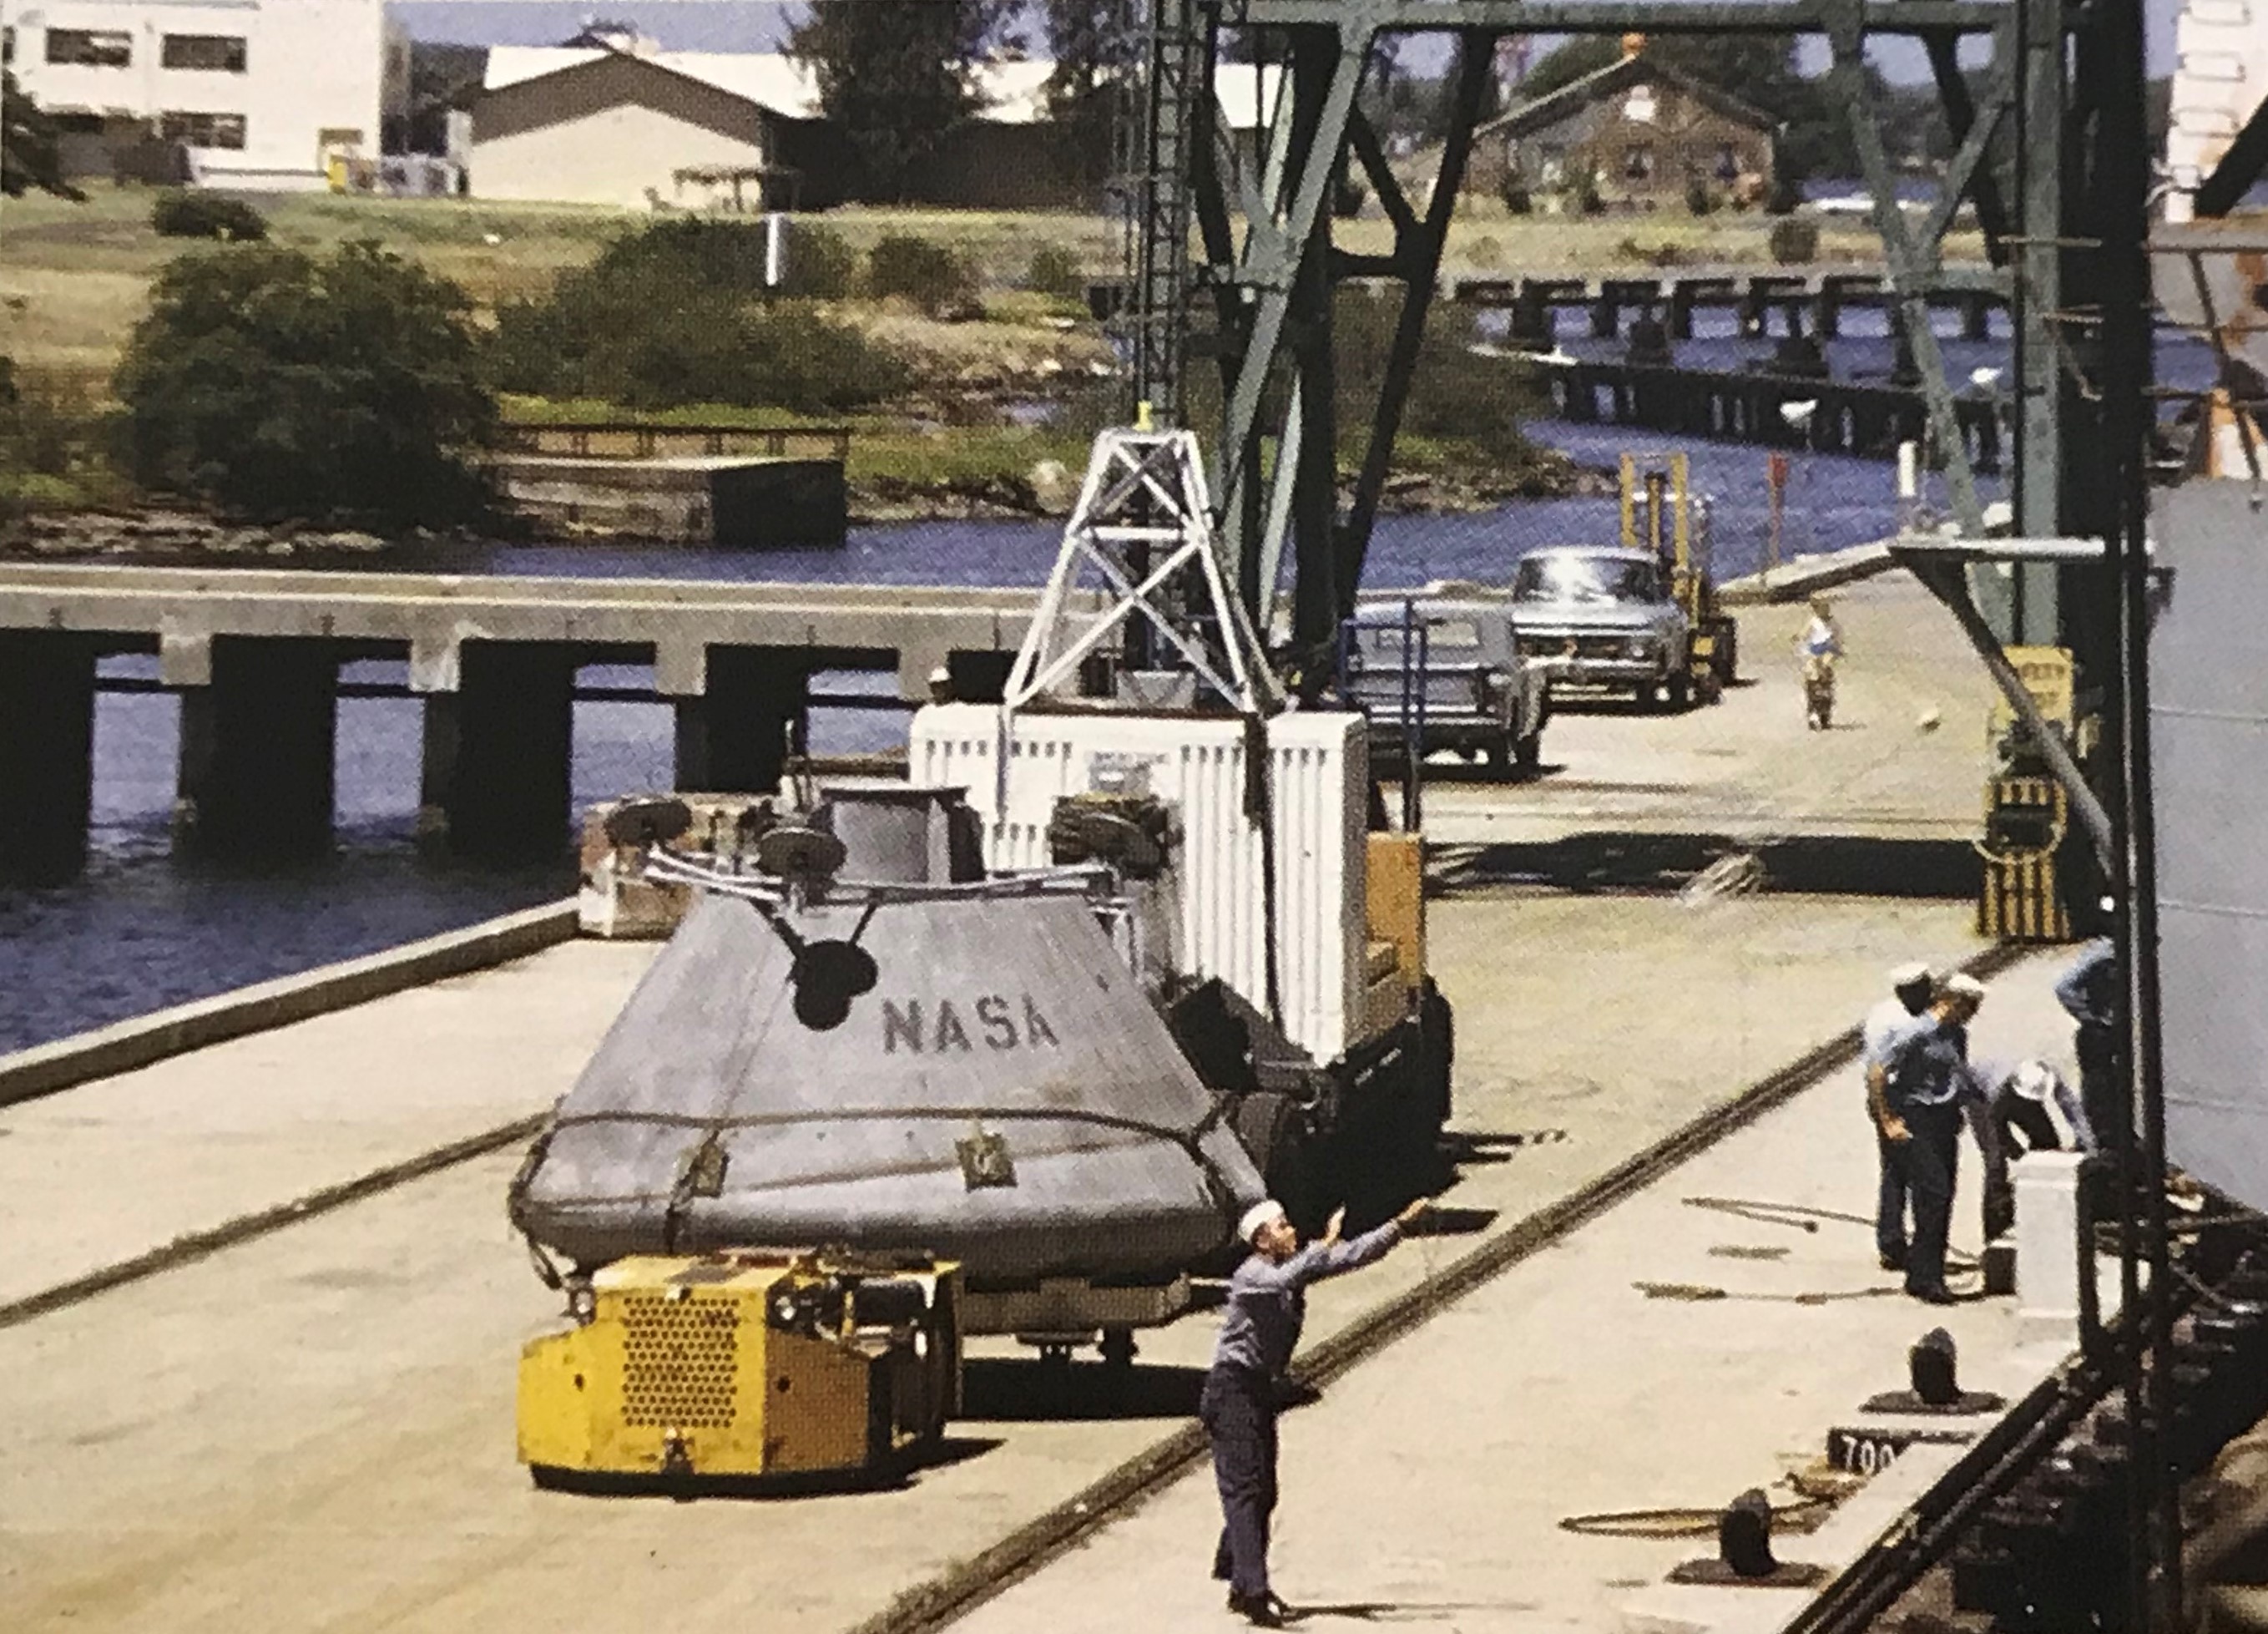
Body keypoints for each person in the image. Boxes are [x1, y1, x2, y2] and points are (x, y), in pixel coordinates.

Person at [1204, 1194, 1431, 1626]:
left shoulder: (1296, 1264)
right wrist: (1325, 1242)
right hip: (1231, 1390)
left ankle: (1238, 1576)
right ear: (1262, 1239)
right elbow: (1290, 1277)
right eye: (1283, 1226)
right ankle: (1254, 1590)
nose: (1292, 1231)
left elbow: (1349, 1257)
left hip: (1258, 1391)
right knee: (1246, 1491)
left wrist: (1399, 1225)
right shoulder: (1251, 1275)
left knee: (1263, 1492)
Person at [1869, 972, 1987, 1303]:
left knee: (1942, 1195)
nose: (1972, 1014)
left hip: (1944, 1119)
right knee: (1933, 1191)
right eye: (1970, 1007)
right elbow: (1878, 1072)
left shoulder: (1956, 1034)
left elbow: (1955, 1073)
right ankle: (1926, 1276)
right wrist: (1888, 1119)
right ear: (1951, 1002)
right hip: (1916, 1115)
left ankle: (1925, 1272)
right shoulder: (1917, 1033)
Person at [1962, 1057, 2097, 1238]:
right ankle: (1996, 1232)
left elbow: (2072, 1109)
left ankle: (2044, 1209)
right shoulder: (1998, 1094)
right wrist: (2019, 1155)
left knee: (2047, 1142)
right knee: (1996, 1163)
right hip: (1980, 1097)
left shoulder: (2049, 1076)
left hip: (2016, 1091)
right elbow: (1998, 1129)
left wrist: (2088, 1145)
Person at [1863, 963, 1936, 1272]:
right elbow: (1876, 1071)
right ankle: (1893, 1241)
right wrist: (1887, 1116)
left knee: (1905, 1173)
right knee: (1899, 1172)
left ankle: (1904, 1241)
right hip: (1895, 1101)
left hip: (1918, 1100)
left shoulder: (1922, 1014)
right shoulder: (1890, 1020)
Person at [2055, 934, 2119, 1147]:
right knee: (2097, 1087)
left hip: (2117, 1029)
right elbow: (2063, 987)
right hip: (2101, 1032)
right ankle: (2093, 1138)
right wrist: (2093, 1018)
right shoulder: (2104, 953)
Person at [1798, 597, 1842, 731]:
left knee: (1826, 679)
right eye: (1821, 607)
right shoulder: (1814, 622)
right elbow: (1804, 634)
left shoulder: (1833, 623)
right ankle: (1813, 712)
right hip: (1814, 651)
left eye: (1826, 607)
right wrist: (1800, 638)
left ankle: (1825, 714)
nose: (1825, 610)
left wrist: (1837, 649)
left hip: (1828, 651)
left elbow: (1838, 637)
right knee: (1813, 679)